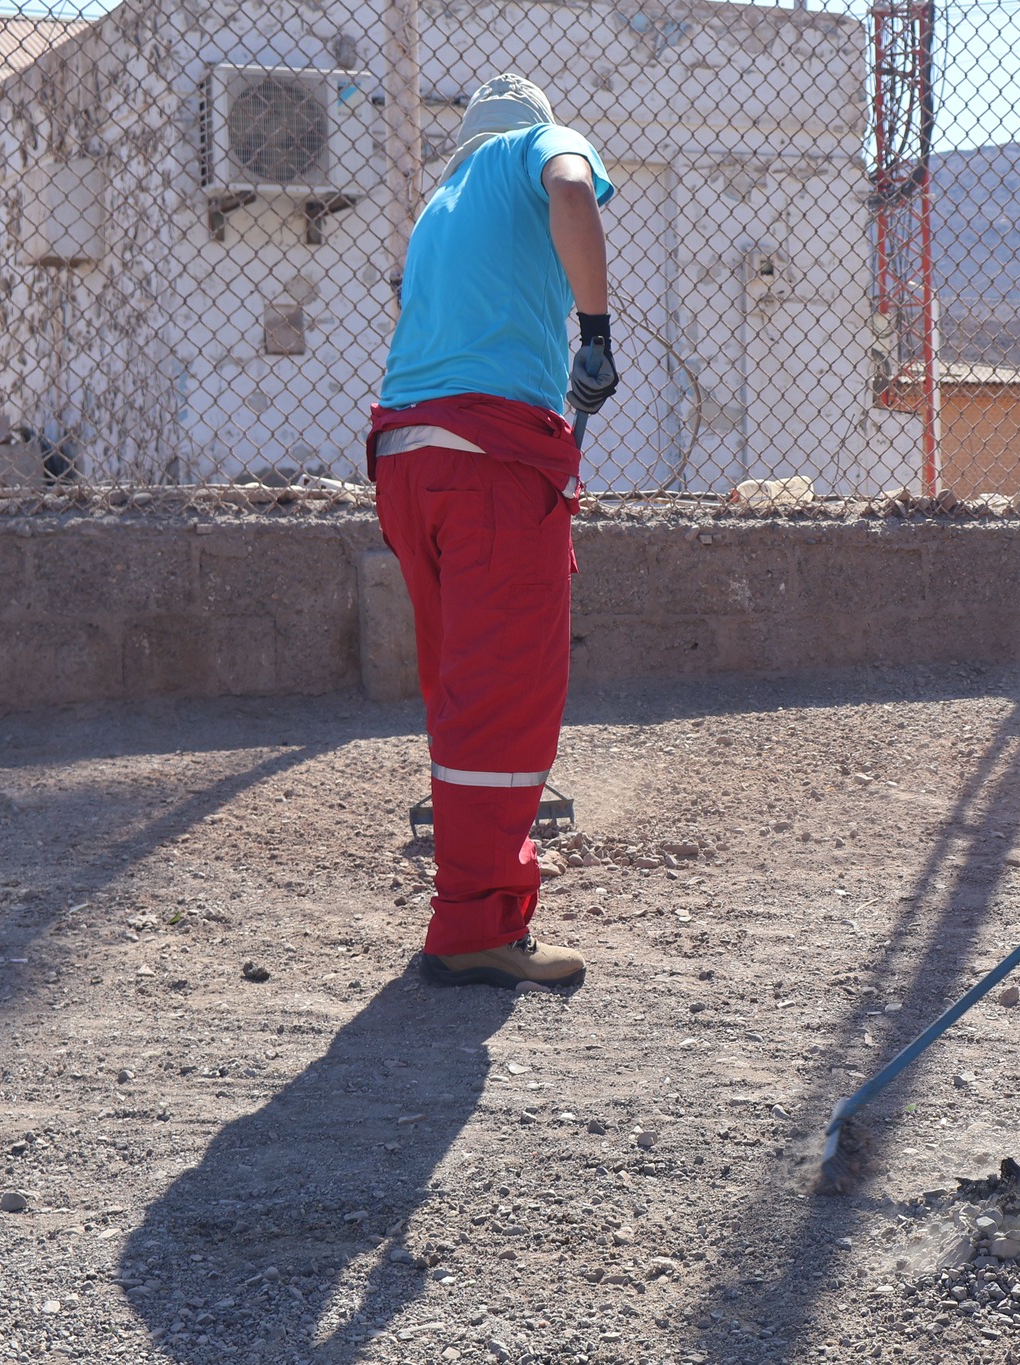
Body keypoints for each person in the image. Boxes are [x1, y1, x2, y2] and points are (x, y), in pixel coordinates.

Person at [366, 73, 617, 991]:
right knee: (506, 690)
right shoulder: (535, 152)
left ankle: (472, 903)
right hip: (490, 461)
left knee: (461, 685)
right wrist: (594, 332)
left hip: (407, 458)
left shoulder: (438, 205)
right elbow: (572, 190)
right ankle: (475, 924)